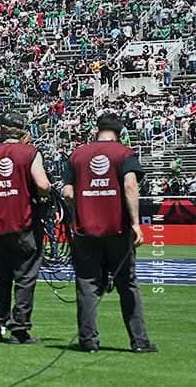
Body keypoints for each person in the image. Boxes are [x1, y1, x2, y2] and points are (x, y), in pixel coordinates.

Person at [62, 112, 157, 353]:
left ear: (97, 130)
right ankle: (139, 341)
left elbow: (68, 193)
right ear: (120, 133)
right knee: (128, 284)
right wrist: (135, 223)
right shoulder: (124, 154)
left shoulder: (78, 155)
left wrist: (78, 212)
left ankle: (88, 341)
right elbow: (130, 186)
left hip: (85, 231)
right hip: (117, 229)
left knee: (87, 285)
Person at [0, 112, 50, 344]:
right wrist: (42, 196)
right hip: (24, 224)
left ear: (1, 130)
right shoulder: (30, 153)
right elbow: (43, 184)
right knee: (25, 277)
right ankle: (19, 330)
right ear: (23, 130)